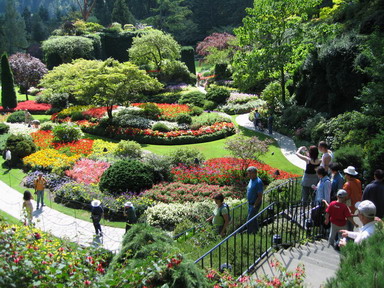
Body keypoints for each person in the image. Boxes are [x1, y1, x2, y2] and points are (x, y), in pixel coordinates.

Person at [246, 166, 263, 233]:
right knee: (253, 219)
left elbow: (259, 196)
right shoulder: (251, 180)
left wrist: (255, 206)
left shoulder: (258, 182)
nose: (248, 175)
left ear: (254, 173)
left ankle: (249, 234)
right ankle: (256, 232)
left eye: (250, 174)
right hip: (250, 204)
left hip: (255, 204)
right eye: (248, 173)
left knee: (249, 221)